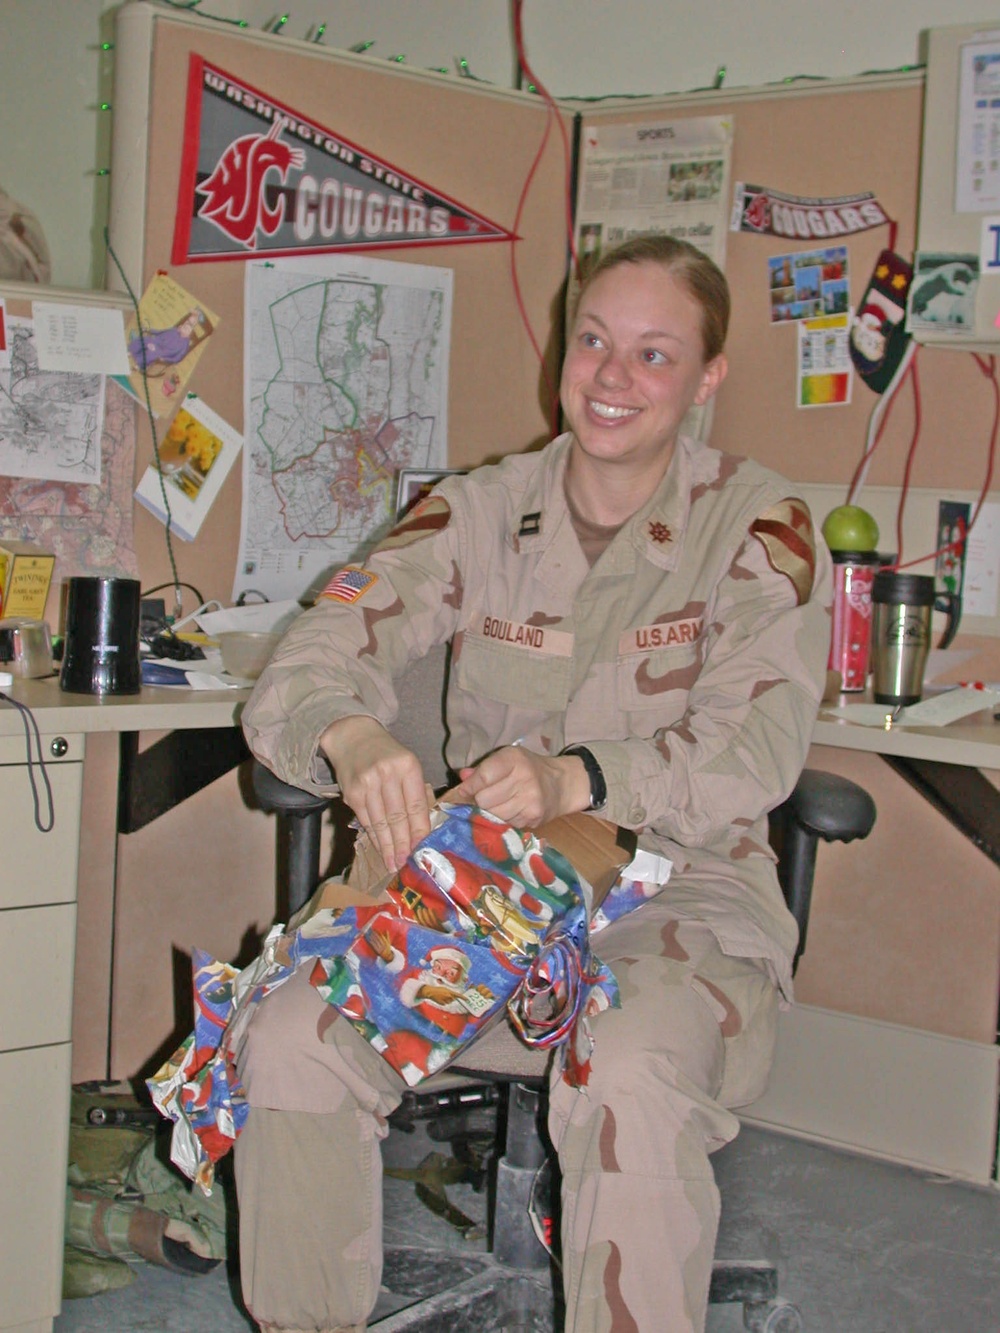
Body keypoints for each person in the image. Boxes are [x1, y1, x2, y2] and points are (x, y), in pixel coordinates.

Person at [237, 233, 832, 1332]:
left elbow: (756, 753)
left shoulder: (756, 523)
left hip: (680, 883)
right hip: (485, 887)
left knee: (628, 1065)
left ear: (707, 379)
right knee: (285, 1038)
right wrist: (354, 736)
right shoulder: (475, 510)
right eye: (594, 341)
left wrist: (581, 774)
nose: (613, 377)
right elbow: (303, 668)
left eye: (655, 355)